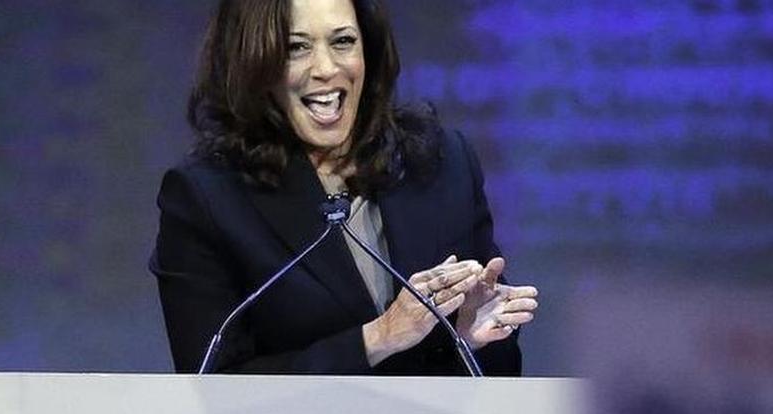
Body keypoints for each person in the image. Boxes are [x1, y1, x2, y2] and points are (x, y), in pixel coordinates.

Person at [150, 0, 537, 375]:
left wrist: (470, 337)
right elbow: (214, 384)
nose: (326, 68)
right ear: (255, 62)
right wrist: (378, 338)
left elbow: (496, 378)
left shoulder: (441, 164)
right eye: (297, 47)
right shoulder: (206, 198)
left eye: (343, 42)